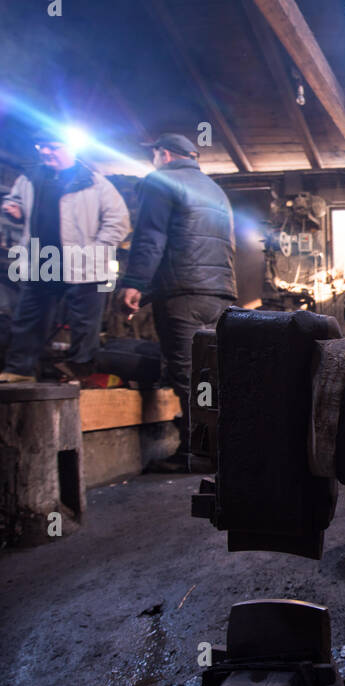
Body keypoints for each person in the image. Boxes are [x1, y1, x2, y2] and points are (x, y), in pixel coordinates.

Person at [119, 133, 237, 470]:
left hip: (182, 293)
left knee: (186, 375)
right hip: (219, 294)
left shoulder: (161, 181)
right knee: (212, 374)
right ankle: (216, 450)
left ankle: (193, 454)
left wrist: (134, 284)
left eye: (154, 155)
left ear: (164, 154)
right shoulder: (215, 189)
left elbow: (150, 237)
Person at [0, 129, 129, 382]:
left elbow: (118, 222)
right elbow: (13, 199)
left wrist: (96, 250)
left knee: (84, 326)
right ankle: (19, 370)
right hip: (42, 259)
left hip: (84, 263)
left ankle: (81, 374)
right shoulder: (29, 178)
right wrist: (13, 208)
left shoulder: (95, 182)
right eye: (41, 146)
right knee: (29, 318)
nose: (45, 151)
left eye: (52, 146)